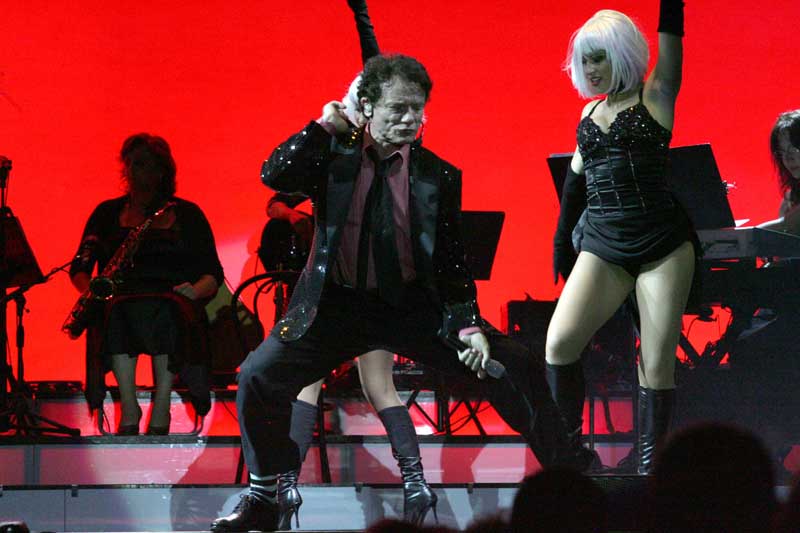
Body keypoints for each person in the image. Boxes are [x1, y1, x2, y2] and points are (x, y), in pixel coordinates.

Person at [210, 53, 595, 533]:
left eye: (418, 108)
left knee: (515, 364)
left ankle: (572, 481)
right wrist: (325, 125)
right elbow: (274, 174)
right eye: (398, 108)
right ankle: (265, 496)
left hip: (411, 306)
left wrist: (468, 325)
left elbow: (453, 263)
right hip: (337, 306)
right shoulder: (335, 157)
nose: (411, 119)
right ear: (367, 107)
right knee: (257, 377)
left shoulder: (437, 175)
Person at [256, 2, 434, 529]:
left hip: (339, 294)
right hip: (374, 292)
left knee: (307, 385)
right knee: (381, 387)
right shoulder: (397, 151)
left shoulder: (344, 152)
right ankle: (416, 483)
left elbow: (372, 67)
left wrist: (362, 18)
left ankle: (286, 488)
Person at [548, 0, 697, 475]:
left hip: (661, 244)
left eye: (600, 57)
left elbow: (671, 44)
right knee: (558, 345)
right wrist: (560, 244)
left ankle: (650, 471)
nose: (590, 68)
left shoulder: (655, 96)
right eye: (585, 59)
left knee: (655, 364)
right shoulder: (589, 113)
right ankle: (573, 460)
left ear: (623, 55)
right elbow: (574, 184)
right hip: (604, 242)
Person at [69, 133, 224, 435]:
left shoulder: (187, 214)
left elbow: (212, 273)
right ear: (125, 168)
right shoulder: (106, 214)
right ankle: (129, 407)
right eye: (135, 164)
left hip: (171, 300)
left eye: (150, 165)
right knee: (116, 312)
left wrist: (194, 291)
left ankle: (162, 404)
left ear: (164, 171)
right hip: (119, 300)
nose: (142, 172)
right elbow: (80, 267)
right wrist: (92, 292)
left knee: (166, 312)